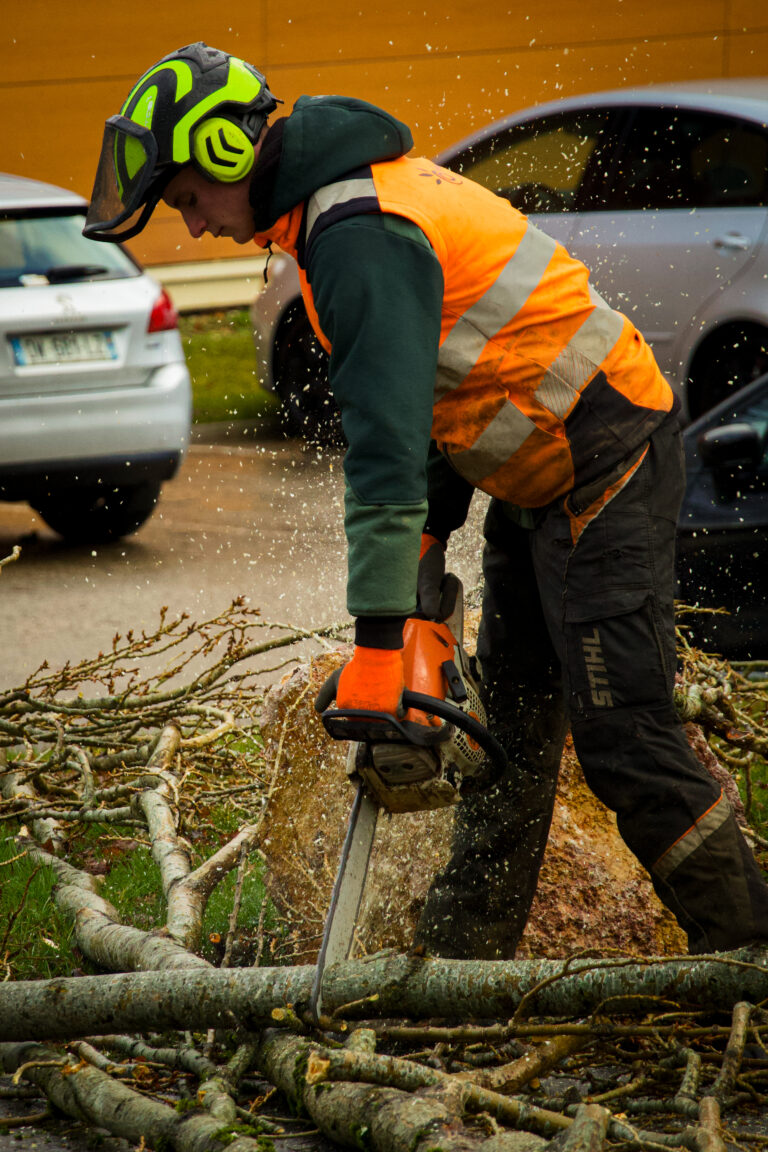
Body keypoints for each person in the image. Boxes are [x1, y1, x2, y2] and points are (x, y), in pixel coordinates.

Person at [84, 41, 768, 955]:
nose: (196, 226)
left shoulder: (359, 231)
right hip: (533, 471)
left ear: (224, 152)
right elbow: (441, 396)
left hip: (604, 459)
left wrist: (375, 641)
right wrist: (414, 590)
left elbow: (385, 448)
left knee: (624, 742)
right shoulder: (332, 218)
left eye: (188, 200)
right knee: (508, 740)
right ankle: (456, 973)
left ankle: (748, 963)